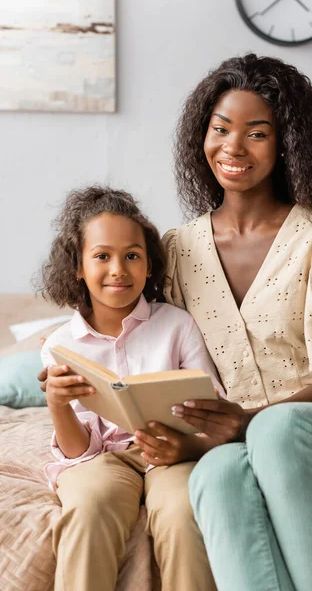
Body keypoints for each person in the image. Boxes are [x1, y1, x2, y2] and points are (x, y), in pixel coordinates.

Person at [157, 54, 312, 591]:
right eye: (220, 129)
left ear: (287, 141)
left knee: (278, 427)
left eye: (257, 133)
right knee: (218, 474)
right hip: (233, 447)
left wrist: (247, 422)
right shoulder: (178, 249)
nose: (233, 147)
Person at [37, 185, 222, 591]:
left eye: (132, 256)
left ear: (150, 265)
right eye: (102, 256)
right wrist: (57, 405)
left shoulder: (177, 325)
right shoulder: (59, 346)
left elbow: (213, 409)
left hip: (172, 453)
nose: (118, 269)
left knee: (183, 510)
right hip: (99, 461)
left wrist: (186, 438)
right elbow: (75, 451)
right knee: (88, 507)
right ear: (78, 267)